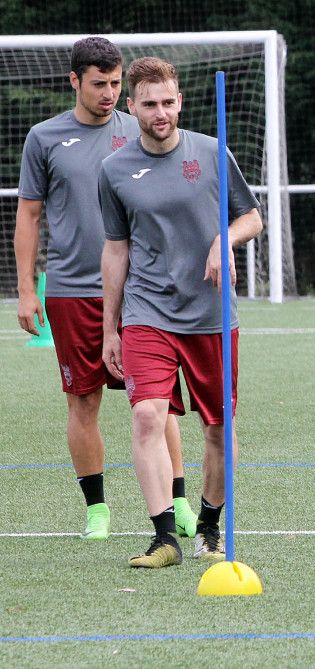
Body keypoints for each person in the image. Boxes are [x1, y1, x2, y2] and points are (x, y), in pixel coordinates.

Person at [14, 37, 196, 541]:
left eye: (116, 83)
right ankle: (97, 509)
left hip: (141, 290)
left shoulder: (142, 128)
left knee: (157, 401)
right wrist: (27, 289)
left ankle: (178, 501)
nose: (110, 93)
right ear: (75, 82)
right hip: (72, 290)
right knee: (84, 400)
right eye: (99, 84)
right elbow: (29, 215)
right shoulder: (44, 138)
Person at [99, 56, 262, 568]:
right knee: (147, 414)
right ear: (132, 107)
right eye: (149, 104)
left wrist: (223, 240)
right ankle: (164, 537)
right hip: (147, 309)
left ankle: (209, 527)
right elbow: (116, 249)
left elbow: (251, 217)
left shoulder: (214, 153)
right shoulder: (115, 169)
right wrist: (111, 328)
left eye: (168, 102)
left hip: (211, 314)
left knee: (217, 429)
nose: (160, 112)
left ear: (181, 101)